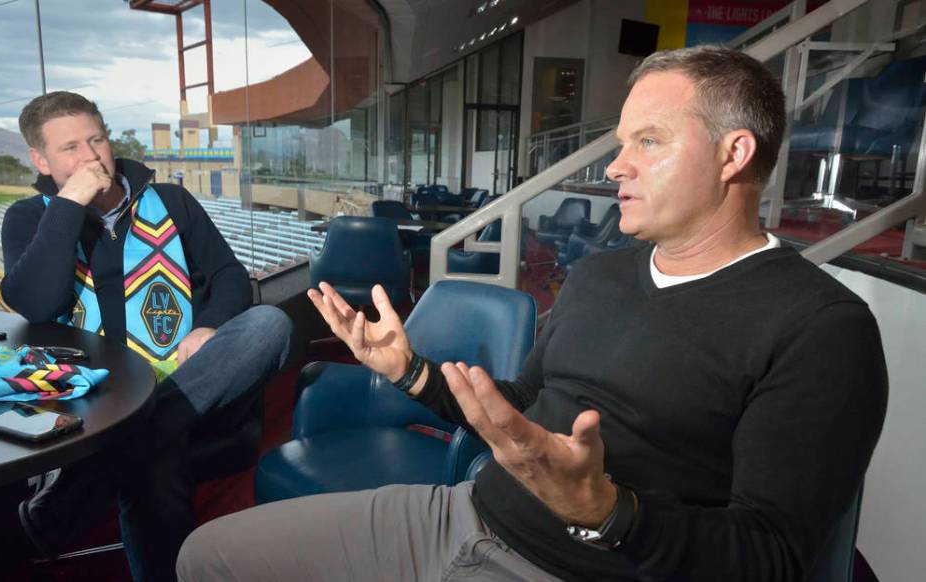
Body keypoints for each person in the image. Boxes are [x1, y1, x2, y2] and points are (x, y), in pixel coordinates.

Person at [177, 46, 888, 581]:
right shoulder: (603, 273)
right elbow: (524, 410)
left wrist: (608, 513)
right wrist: (410, 371)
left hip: (588, 568)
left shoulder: (822, 328)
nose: (615, 166)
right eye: (621, 142)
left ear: (734, 154)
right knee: (205, 557)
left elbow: (776, 557)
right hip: (468, 512)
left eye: (649, 141)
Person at [1, 91, 292, 582]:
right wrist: (71, 201)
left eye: (97, 140)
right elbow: (35, 302)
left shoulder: (172, 201)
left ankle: (116, 454)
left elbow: (230, 277)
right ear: (40, 160)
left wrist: (209, 326)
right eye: (70, 148)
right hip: (95, 399)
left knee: (272, 325)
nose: (91, 157)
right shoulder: (30, 218)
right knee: (155, 458)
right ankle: (144, 433)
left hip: (190, 383)